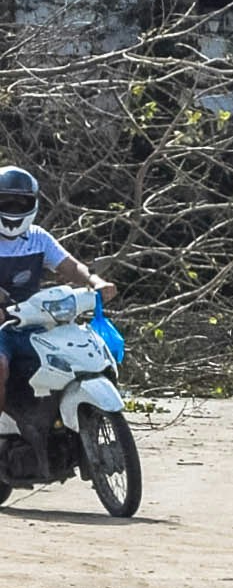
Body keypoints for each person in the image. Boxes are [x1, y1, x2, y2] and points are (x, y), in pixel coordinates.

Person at [0, 165, 114, 476]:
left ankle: (58, 425)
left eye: (19, 203)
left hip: (34, 321)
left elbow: (69, 267)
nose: (12, 210)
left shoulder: (38, 238)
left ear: (33, 204)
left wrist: (94, 281)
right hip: (1, 329)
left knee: (72, 355)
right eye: (6, 202)